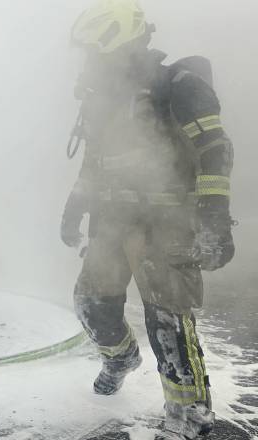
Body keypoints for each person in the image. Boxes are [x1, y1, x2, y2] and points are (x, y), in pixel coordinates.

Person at [62, 1, 235, 439]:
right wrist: (75, 205)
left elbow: (216, 149)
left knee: (168, 322)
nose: (87, 61)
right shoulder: (104, 99)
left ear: (115, 41)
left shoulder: (177, 86)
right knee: (89, 303)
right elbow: (93, 162)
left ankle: (188, 418)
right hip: (114, 221)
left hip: (167, 222)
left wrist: (214, 216)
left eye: (93, 50)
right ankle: (119, 358)